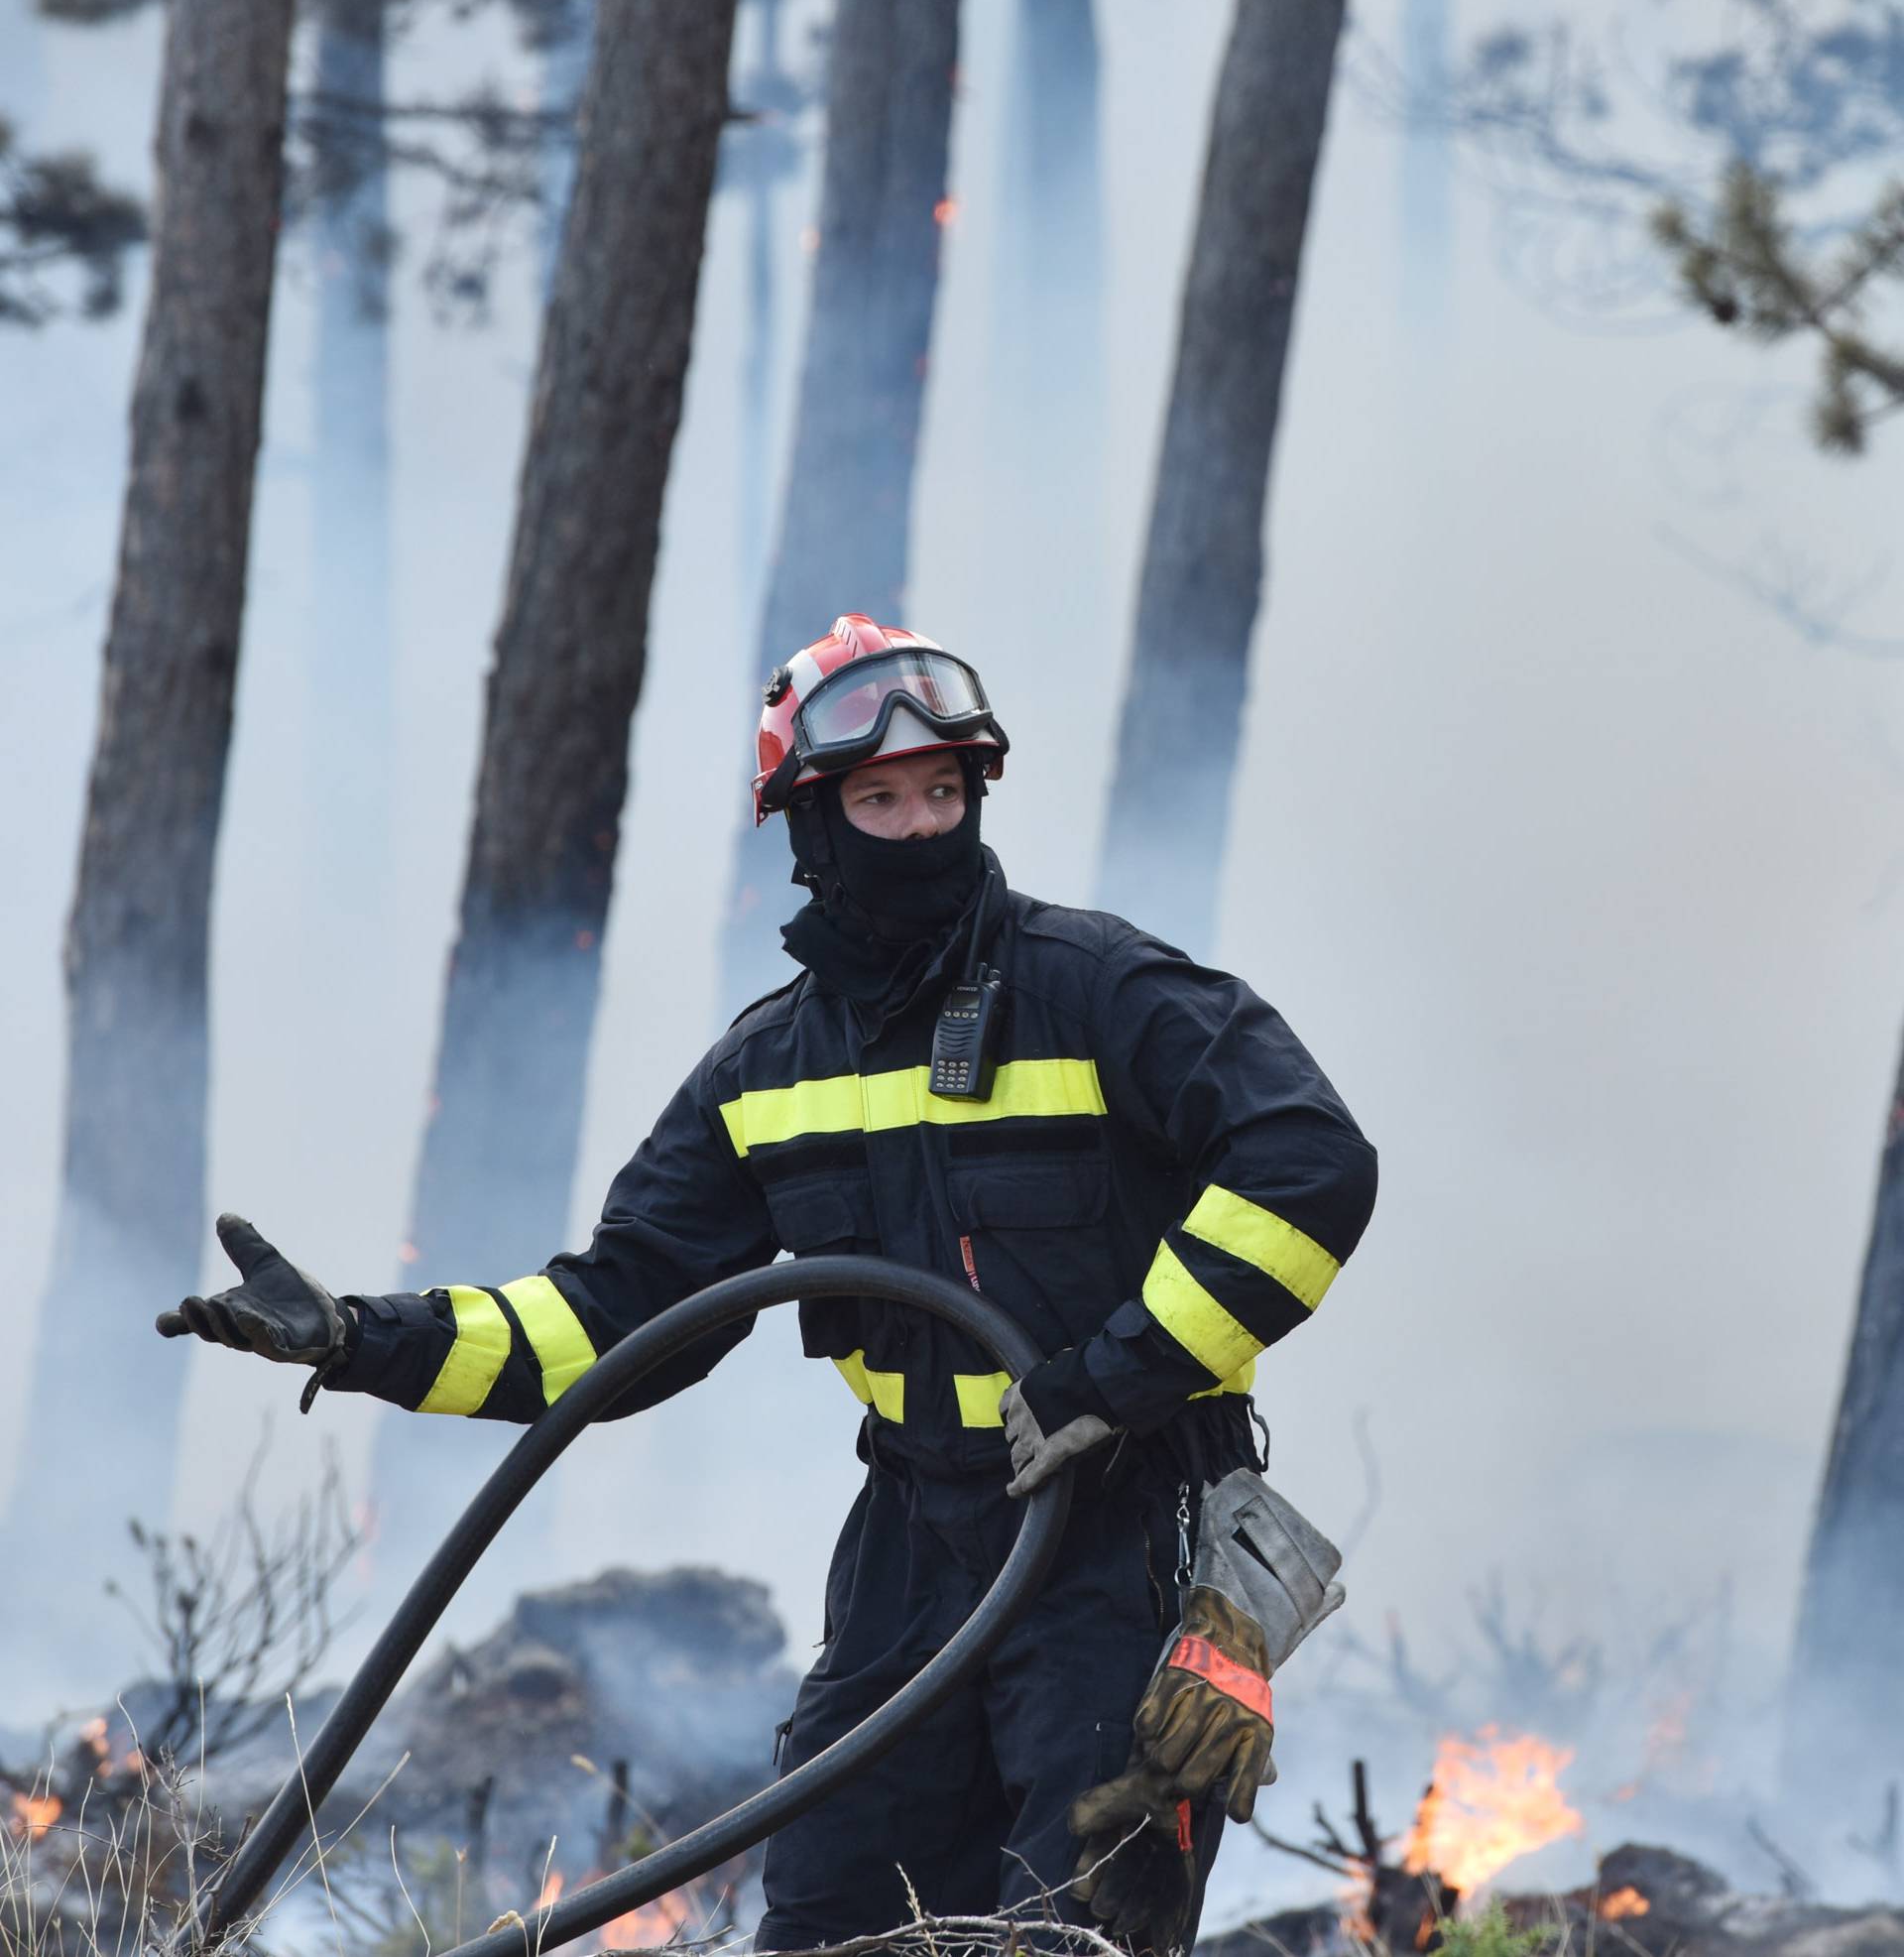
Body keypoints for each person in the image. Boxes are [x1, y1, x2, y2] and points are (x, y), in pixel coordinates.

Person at [160, 614, 1377, 1952]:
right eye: (878, 799)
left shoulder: (1096, 990)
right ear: (813, 824)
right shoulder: (767, 1075)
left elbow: (1308, 1165)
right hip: (917, 1554)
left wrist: (1117, 1372)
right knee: (825, 1919)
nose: (919, 826)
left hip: (1128, 1539)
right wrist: (356, 1338)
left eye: (943, 792)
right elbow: (608, 1323)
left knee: (1073, 1931)